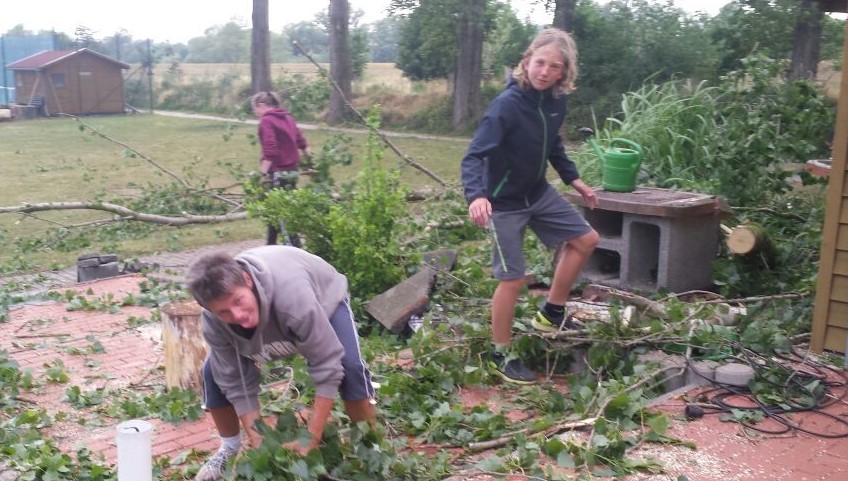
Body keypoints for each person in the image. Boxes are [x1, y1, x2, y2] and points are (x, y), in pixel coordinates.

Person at [460, 28, 600, 385]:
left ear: (564, 72)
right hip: (503, 202)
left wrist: (574, 179)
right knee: (513, 279)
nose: (544, 72)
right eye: (540, 63)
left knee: (586, 239)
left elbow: (553, 145)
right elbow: (474, 155)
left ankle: (551, 312)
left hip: (536, 193)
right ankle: (501, 354)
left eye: (554, 67)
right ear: (527, 61)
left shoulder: (554, 102)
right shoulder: (507, 105)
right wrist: (477, 196)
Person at [186, 246, 377, 481]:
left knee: (350, 366)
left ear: (247, 280)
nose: (238, 315)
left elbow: (327, 363)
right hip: (280, 315)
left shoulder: (294, 298)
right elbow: (235, 381)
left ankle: (370, 445)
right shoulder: (214, 323)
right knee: (213, 372)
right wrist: (258, 440)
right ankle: (229, 448)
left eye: (238, 301)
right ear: (209, 310)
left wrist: (312, 435)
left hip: (322, 300)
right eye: (224, 312)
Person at [251, 91, 312, 247]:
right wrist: (310, 162)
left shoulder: (266, 120)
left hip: (278, 172)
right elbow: (302, 142)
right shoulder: (288, 118)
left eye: (255, 109)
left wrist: (262, 174)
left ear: (262, 105)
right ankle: (270, 244)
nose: (256, 113)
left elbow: (270, 150)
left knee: (282, 214)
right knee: (274, 209)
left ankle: (295, 248)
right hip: (292, 172)